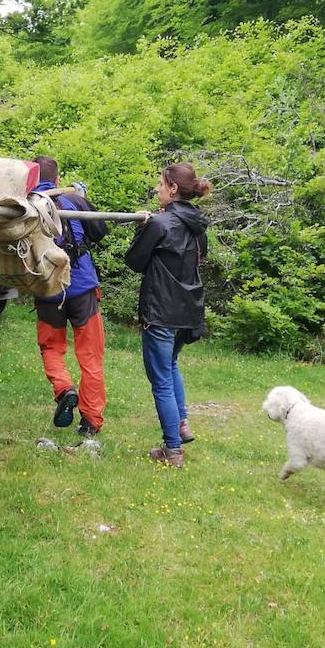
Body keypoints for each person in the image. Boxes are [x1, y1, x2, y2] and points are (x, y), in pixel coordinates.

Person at [123, 162, 212, 468]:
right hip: (188, 310)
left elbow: (134, 261)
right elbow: (198, 257)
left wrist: (143, 229)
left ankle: (173, 450)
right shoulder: (198, 227)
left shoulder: (160, 224)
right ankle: (182, 424)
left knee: (161, 380)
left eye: (161, 184)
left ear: (173, 189)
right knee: (171, 365)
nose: (157, 188)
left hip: (160, 311)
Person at [31, 156, 107, 436]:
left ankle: (64, 389)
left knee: (51, 348)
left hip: (47, 288)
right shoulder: (73, 199)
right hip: (82, 286)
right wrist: (83, 201)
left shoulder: (25, 203)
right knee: (91, 356)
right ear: (58, 179)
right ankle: (90, 422)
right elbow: (100, 232)